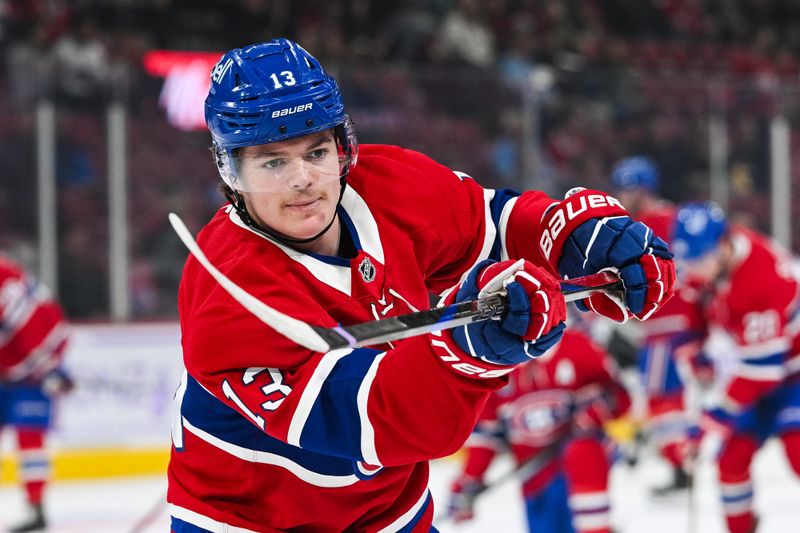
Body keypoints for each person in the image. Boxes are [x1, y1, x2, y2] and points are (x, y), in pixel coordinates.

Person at [166, 38, 675, 532]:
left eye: (317, 151)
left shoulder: (387, 187)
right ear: (230, 171)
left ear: (343, 146)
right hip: (248, 520)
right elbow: (368, 424)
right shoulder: (226, 292)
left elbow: (495, 223)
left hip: (387, 512)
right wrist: (470, 353)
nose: (302, 179)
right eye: (273, 161)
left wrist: (575, 236)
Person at [671, 202, 800, 533]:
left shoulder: (761, 277)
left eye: (700, 260)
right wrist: (694, 348)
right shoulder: (712, 263)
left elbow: (759, 373)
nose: (694, 269)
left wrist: (708, 422)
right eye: (689, 261)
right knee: (730, 460)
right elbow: (691, 304)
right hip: (758, 373)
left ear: (725, 246)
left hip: (792, 373)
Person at [445, 323, 631, 533]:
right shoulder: (492, 362)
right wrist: (468, 481)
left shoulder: (577, 345)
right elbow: (488, 435)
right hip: (534, 478)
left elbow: (622, 398)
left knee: (582, 450)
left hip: (583, 463)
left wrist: (601, 403)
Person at [609, 156, 709, 495]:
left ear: (643, 189)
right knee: (666, 400)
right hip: (667, 326)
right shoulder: (669, 218)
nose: (623, 196)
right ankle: (679, 461)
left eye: (628, 188)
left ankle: (681, 464)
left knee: (662, 400)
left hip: (669, 327)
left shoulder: (651, 223)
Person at [0, 254, 73, 533]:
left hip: (31, 373)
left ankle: (36, 508)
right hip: (9, 369)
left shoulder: (5, 277)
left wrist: (49, 368)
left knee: (30, 438)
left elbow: (31, 325)